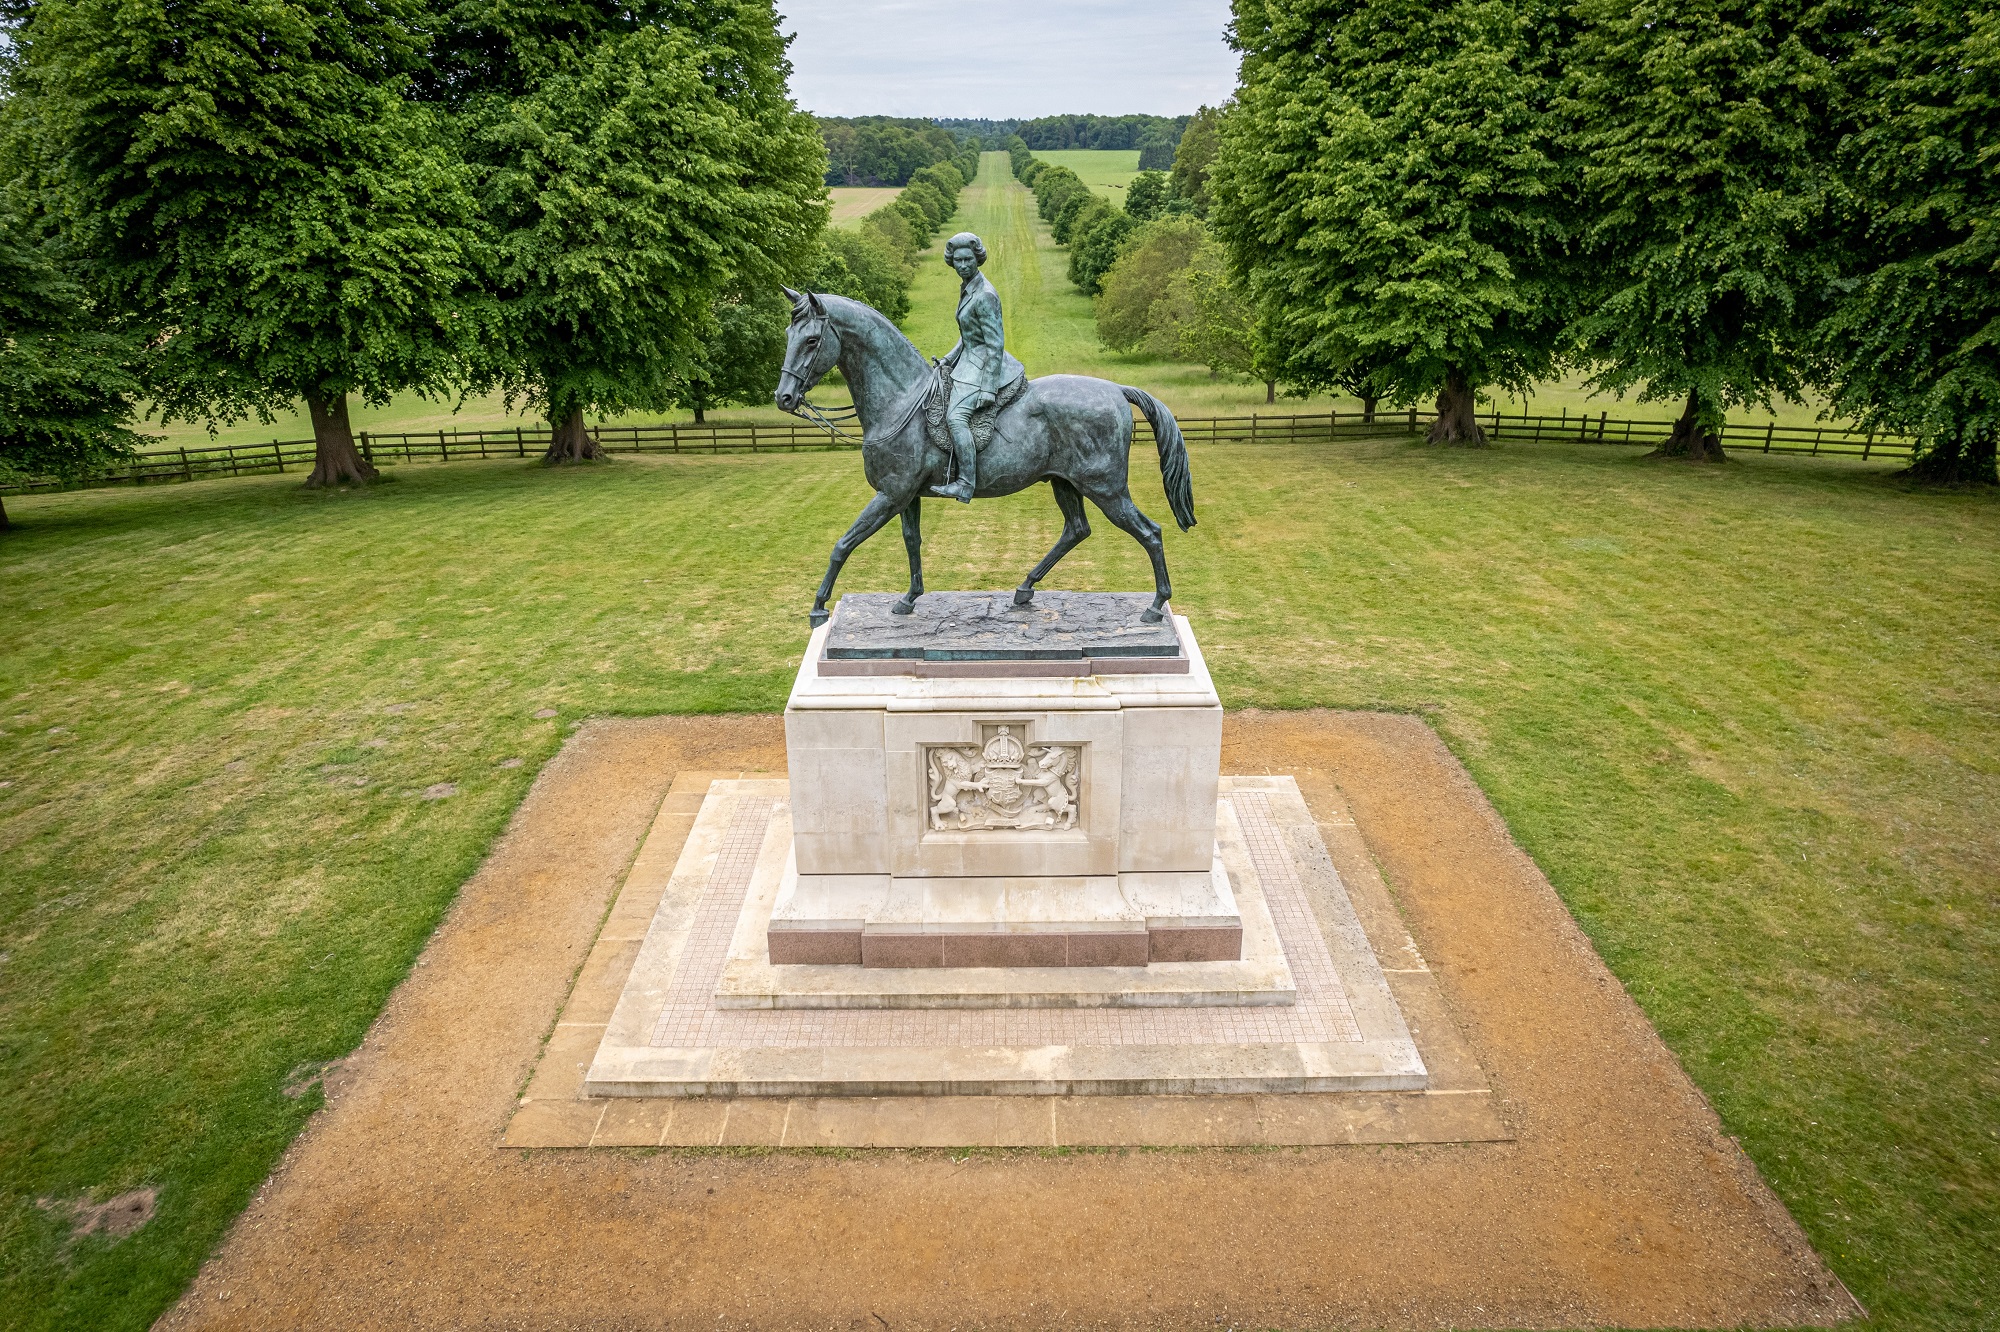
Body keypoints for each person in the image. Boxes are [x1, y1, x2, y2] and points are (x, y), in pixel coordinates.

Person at [931, 232, 1025, 502]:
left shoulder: (984, 295)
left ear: (977, 259)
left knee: (955, 418)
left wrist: (988, 387)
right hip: (969, 360)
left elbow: (995, 344)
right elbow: (968, 335)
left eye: (968, 259)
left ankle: (965, 483)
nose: (962, 265)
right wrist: (948, 359)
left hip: (985, 365)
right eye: (957, 260)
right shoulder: (968, 287)